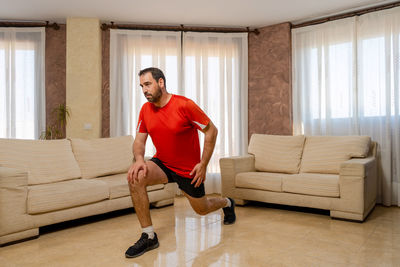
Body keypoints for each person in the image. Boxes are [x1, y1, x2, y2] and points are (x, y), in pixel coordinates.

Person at [125, 67, 236, 258]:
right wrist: (140, 160)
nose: (144, 90)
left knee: (203, 209)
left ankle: (227, 203)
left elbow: (212, 131)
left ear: (161, 83)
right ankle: (149, 235)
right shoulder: (145, 110)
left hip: (188, 170)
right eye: (141, 86)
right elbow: (139, 140)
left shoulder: (185, 105)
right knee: (136, 176)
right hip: (163, 163)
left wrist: (203, 164)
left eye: (148, 84)